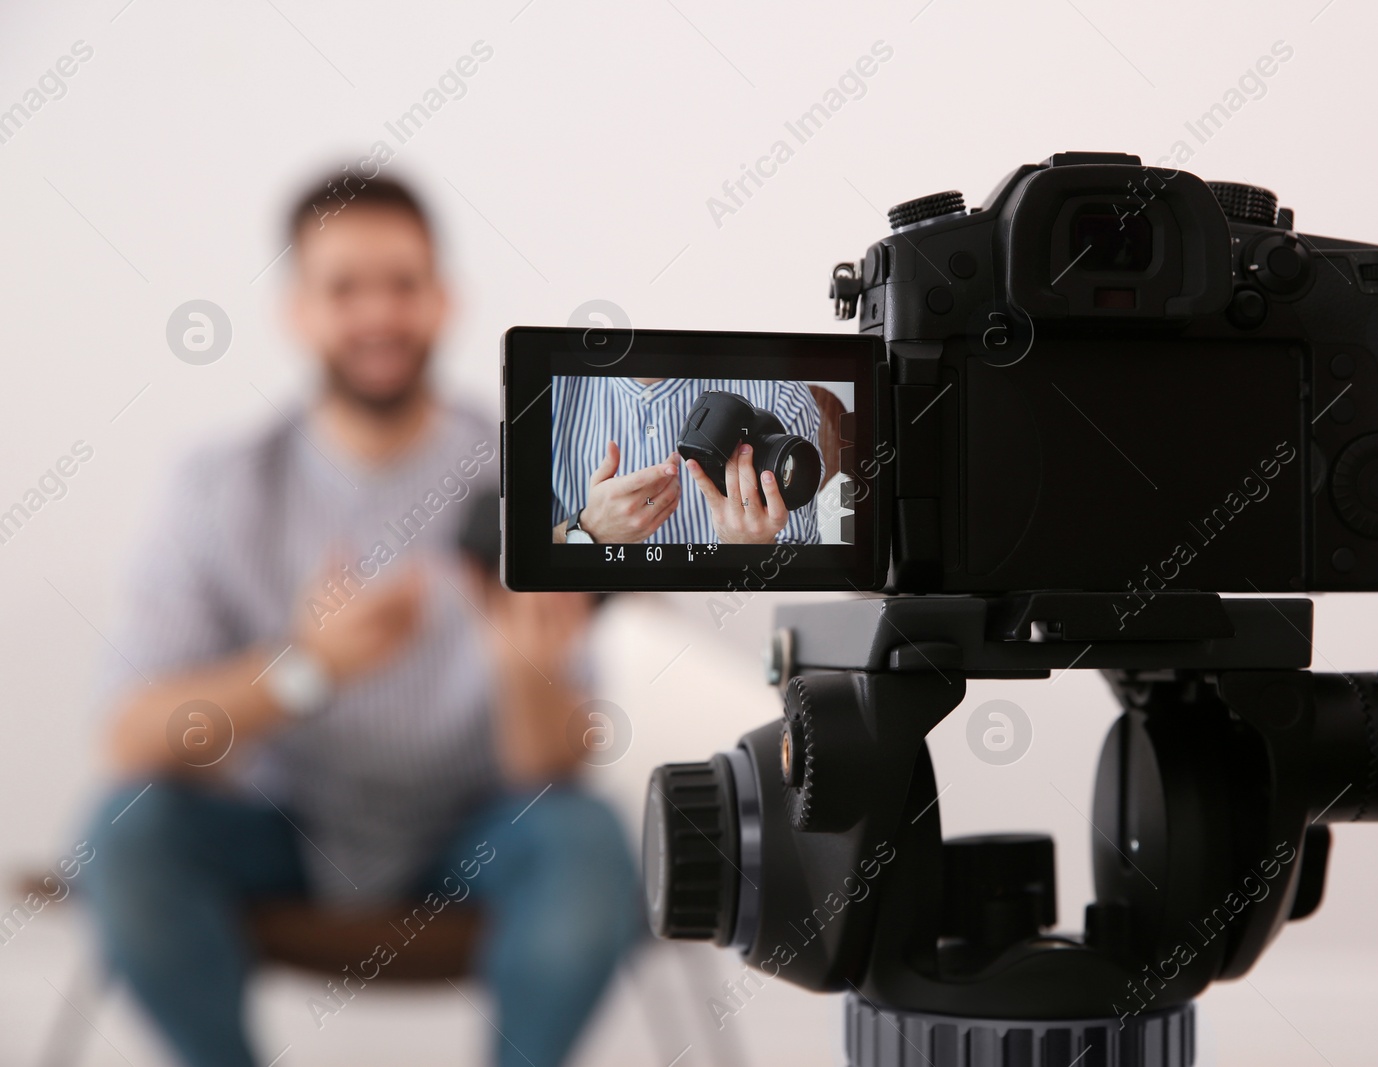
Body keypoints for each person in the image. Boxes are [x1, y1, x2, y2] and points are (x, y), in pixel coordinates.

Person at [80, 170, 638, 1067]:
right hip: (280, 829)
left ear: (443, 298)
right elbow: (130, 736)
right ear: (297, 309)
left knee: (588, 839)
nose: (379, 313)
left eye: (404, 284)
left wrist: (522, 663)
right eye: (345, 287)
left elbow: (550, 763)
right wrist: (308, 667)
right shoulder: (220, 483)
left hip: (474, 832)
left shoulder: (531, 469)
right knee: (128, 827)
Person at [548, 375, 822, 545]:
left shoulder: (779, 391)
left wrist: (749, 548)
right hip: (590, 627)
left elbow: (803, 576)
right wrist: (587, 531)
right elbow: (517, 559)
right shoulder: (550, 388)